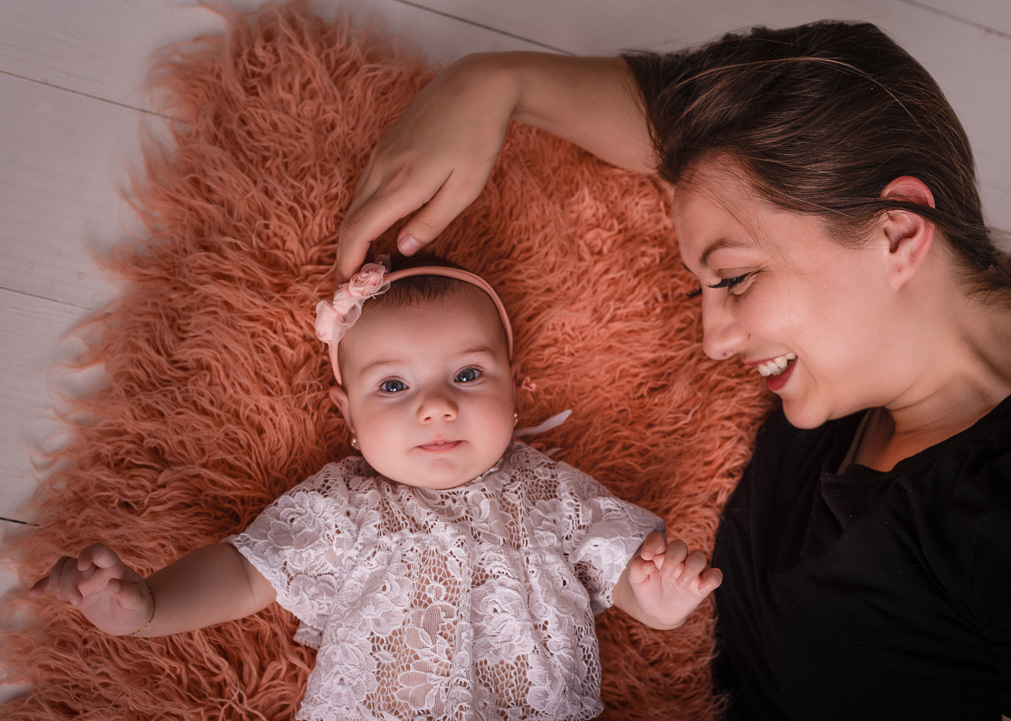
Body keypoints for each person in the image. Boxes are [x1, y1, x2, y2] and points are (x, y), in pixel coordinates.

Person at [332, 20, 1011, 721]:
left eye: (735, 279)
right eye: (705, 285)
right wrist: (490, 83)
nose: (715, 339)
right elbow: (691, 136)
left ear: (897, 233)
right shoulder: (875, 360)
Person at [30, 255, 724, 721]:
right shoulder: (343, 501)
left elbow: (619, 563)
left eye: (469, 375)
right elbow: (247, 570)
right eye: (393, 385)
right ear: (349, 419)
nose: (436, 405)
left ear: (518, 396)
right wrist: (150, 604)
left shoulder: (554, 491)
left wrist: (655, 598)